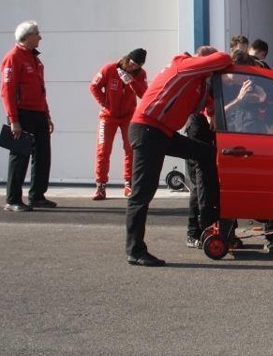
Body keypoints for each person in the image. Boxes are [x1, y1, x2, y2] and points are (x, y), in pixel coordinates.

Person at [124, 46, 233, 267]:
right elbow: (224, 58)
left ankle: (208, 217)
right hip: (147, 129)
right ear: (204, 61)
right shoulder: (184, 65)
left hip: (162, 132)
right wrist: (224, 63)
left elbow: (208, 104)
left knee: (205, 153)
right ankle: (135, 250)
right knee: (142, 192)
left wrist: (212, 113)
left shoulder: (198, 83)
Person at [183, 48, 255, 248]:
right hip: (199, 131)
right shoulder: (212, 81)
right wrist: (238, 100)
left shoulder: (233, 83)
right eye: (238, 74)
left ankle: (228, 232)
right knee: (200, 185)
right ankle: (194, 232)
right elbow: (212, 118)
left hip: (223, 136)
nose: (242, 79)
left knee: (223, 184)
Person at [0, 20, 55, 212]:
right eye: (37, 33)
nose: (40, 37)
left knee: (42, 155)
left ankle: (37, 196)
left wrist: (47, 115)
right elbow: (7, 90)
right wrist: (13, 119)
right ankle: (13, 199)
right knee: (19, 156)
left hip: (38, 113)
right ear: (28, 36)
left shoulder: (34, 58)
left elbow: (41, 90)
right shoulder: (13, 57)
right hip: (22, 114)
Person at [88, 48, 148, 200]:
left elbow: (144, 94)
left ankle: (129, 184)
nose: (133, 68)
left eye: (137, 66)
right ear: (127, 59)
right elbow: (93, 86)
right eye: (132, 64)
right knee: (103, 150)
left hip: (129, 116)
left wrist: (131, 81)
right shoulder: (109, 69)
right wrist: (105, 104)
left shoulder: (140, 74)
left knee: (130, 149)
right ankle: (100, 186)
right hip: (107, 117)